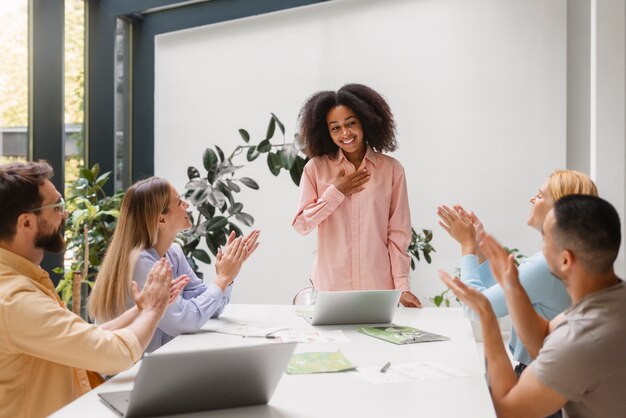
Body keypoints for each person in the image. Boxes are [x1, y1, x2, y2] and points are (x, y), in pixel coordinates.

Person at [0, 161, 188, 418]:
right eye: (57, 207)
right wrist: (153, 312)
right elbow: (115, 355)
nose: (64, 215)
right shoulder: (15, 300)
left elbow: (83, 337)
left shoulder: (19, 282)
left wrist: (141, 309)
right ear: (26, 223)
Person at [439, 195, 626, 418]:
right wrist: (513, 288)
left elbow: (508, 410)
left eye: (545, 240)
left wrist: (487, 315)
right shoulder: (612, 298)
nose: (540, 252)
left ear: (565, 260)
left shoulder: (582, 338)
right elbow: (544, 337)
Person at [437, 170, 597, 374]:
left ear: (559, 210)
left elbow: (478, 308)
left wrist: (467, 246)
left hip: (538, 379)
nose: (532, 199)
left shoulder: (547, 265)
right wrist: (478, 247)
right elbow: (506, 295)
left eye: (539, 196)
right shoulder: (573, 258)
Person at [88, 177, 260, 352]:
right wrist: (222, 279)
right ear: (161, 219)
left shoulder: (173, 253)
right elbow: (185, 321)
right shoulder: (140, 262)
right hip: (125, 373)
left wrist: (228, 275)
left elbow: (210, 310)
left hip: (151, 367)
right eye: (179, 202)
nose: (187, 205)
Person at [292, 83, 421, 307]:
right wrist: (336, 191)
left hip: (378, 287)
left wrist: (402, 287)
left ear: (365, 121)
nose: (345, 134)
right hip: (330, 287)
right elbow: (301, 225)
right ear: (326, 131)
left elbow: (398, 234)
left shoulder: (392, 170)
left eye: (351, 123)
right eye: (335, 128)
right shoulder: (315, 169)